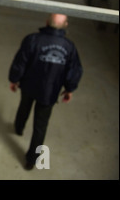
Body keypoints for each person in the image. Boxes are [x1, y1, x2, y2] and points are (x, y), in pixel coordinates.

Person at [8, 13, 83, 170]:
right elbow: (74, 70)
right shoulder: (69, 47)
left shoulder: (32, 40)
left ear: (47, 22)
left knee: (24, 107)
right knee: (40, 126)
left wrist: (14, 79)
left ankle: (18, 128)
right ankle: (31, 160)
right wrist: (70, 88)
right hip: (49, 92)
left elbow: (20, 62)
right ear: (66, 25)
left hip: (28, 86)